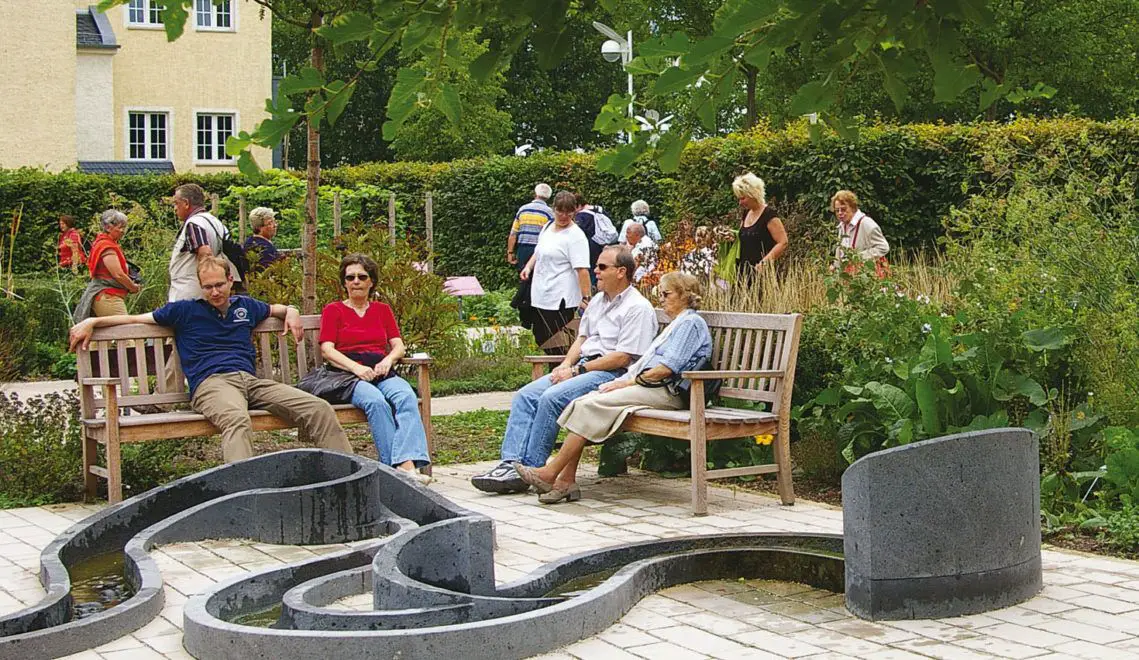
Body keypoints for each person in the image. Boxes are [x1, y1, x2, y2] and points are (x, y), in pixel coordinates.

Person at [69, 256, 353, 463]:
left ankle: (349, 479)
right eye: (207, 287)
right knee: (237, 419)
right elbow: (134, 318)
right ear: (200, 286)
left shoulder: (246, 306)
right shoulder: (183, 311)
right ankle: (243, 498)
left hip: (250, 382)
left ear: (231, 280)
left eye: (219, 285)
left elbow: (275, 308)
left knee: (318, 408)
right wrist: (94, 320)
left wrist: (290, 310)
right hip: (211, 385)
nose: (214, 292)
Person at [471, 245, 657, 494]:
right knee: (526, 396)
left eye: (602, 267)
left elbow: (623, 357)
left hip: (612, 375)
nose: (596, 271)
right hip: (584, 367)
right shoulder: (598, 302)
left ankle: (532, 469)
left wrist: (577, 371)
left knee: (551, 398)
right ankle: (510, 464)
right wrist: (566, 365)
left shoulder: (637, 307)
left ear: (621, 271)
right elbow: (581, 340)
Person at [516, 271, 713, 503]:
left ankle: (551, 473)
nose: (661, 298)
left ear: (684, 295)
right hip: (650, 387)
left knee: (592, 402)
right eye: (660, 293)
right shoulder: (676, 324)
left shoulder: (690, 323)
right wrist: (624, 382)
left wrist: (625, 382)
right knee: (583, 402)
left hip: (668, 392)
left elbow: (667, 368)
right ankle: (565, 481)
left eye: (666, 293)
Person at [317, 253, 431, 485]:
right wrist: (356, 368)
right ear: (344, 282)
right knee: (376, 402)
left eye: (362, 277)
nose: (356, 282)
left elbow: (398, 345)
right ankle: (400, 470)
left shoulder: (381, 310)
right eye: (350, 278)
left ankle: (402, 467)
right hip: (347, 375)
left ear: (371, 281)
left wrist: (388, 360)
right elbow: (327, 349)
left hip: (381, 370)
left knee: (406, 397)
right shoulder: (334, 310)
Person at [520, 190, 592, 353]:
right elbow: (539, 250)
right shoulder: (547, 226)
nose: (563, 215)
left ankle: (561, 372)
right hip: (541, 292)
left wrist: (586, 298)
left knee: (557, 342)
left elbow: (582, 270)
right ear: (554, 209)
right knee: (540, 336)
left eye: (568, 212)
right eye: (560, 211)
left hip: (561, 297)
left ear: (574, 211)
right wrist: (528, 266)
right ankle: (554, 372)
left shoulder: (576, 236)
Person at [168, 183, 240, 302]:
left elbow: (205, 253)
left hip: (189, 295)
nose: (175, 208)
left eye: (176, 203)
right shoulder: (217, 223)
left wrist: (208, 285)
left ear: (186, 203)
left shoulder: (195, 223)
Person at [72, 210, 141, 322]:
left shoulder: (103, 243)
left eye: (124, 227)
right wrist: (133, 287)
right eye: (120, 227)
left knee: (104, 337)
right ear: (109, 227)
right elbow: (118, 274)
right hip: (108, 297)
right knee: (125, 334)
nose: (123, 231)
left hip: (103, 295)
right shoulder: (107, 246)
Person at [733, 173, 789, 278]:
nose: (740, 203)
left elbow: (783, 242)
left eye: (743, 198)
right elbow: (743, 236)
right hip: (742, 272)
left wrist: (765, 262)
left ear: (753, 195)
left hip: (761, 273)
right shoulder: (745, 214)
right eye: (739, 199)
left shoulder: (769, 215)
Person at [832, 189, 889, 275]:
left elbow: (883, 247)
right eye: (837, 210)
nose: (840, 213)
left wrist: (858, 258)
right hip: (850, 275)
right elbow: (840, 251)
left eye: (843, 209)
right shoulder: (842, 226)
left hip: (869, 276)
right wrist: (835, 266)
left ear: (852, 207)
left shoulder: (866, 223)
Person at [506, 183, 553, 271]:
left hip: (523, 249)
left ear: (535, 194)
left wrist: (510, 252)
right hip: (540, 250)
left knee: (523, 278)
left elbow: (513, 233)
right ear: (548, 197)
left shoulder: (523, 209)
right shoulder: (549, 212)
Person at [243, 206, 285, 272]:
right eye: (270, 223)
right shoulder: (265, 249)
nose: (275, 225)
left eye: (274, 221)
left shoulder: (248, 242)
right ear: (259, 227)